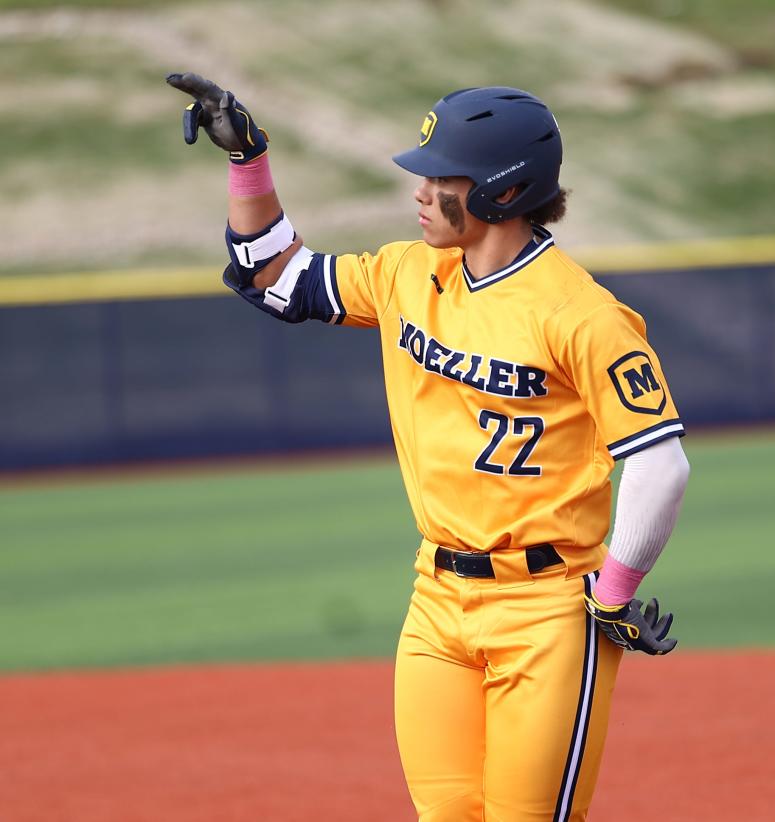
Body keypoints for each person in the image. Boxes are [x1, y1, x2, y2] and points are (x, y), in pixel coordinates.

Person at [167, 72, 691, 822]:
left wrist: (611, 594)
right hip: (436, 602)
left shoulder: (581, 315)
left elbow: (659, 461)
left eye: (443, 177)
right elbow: (274, 279)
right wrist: (247, 159)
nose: (420, 191)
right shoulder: (408, 274)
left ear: (502, 193)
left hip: (545, 611)